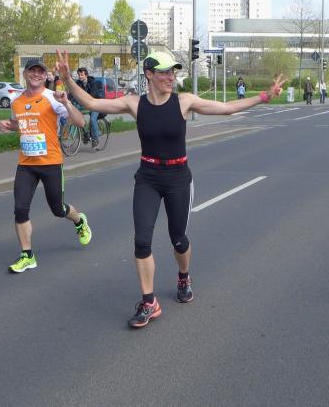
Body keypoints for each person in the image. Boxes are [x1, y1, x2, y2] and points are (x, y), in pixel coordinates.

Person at [56, 49, 286, 329]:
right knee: (142, 241)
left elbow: (226, 108)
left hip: (178, 178)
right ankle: (149, 301)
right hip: (148, 178)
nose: (170, 77)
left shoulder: (184, 101)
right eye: (164, 72)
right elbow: (92, 102)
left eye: (172, 72)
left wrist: (263, 96)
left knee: (178, 239)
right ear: (149, 75)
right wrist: (68, 80)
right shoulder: (135, 104)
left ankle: (184, 276)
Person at [0, 58, 93, 274]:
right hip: (26, 164)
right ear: (25, 74)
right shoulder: (16, 101)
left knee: (58, 209)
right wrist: (9, 126)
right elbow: (20, 124)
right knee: (20, 209)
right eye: (32, 71)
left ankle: (79, 221)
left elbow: (80, 122)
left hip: (50, 162)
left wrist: (67, 103)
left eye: (40, 72)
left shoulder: (53, 97)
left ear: (44, 76)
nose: (36, 74)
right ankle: (27, 256)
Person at [74, 67, 104, 149]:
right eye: (79, 75)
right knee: (77, 116)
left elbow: (92, 96)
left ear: (86, 75)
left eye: (82, 75)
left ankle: (96, 140)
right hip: (86, 104)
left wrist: (82, 100)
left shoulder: (93, 83)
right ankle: (86, 134)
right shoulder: (78, 83)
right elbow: (73, 92)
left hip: (96, 104)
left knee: (93, 120)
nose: (80, 77)